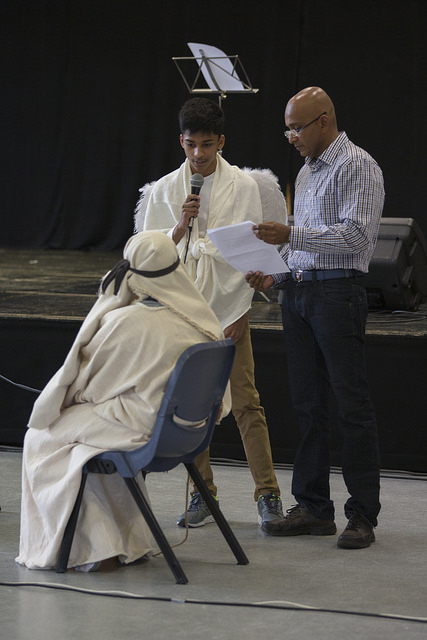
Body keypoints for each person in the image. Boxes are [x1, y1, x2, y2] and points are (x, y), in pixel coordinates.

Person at [16, 231, 229, 571]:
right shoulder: (202, 319)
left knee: (41, 436)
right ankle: (125, 543)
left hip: (137, 428)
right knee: (85, 448)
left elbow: (91, 388)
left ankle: (89, 551)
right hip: (187, 433)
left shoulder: (126, 322)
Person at [136, 97, 287, 528]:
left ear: (221, 141)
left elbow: (247, 251)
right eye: (191, 144)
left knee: (246, 402)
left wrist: (240, 310)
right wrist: (179, 228)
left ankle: (268, 493)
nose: (198, 154)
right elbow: (146, 252)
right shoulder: (166, 189)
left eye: (206, 144)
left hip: (229, 304)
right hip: (185, 309)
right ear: (180, 142)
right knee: (191, 405)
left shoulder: (243, 186)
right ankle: (203, 492)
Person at [246, 87, 385, 549]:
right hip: (301, 294)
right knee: (309, 405)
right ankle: (313, 507)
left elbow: (356, 237)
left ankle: (362, 513)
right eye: (287, 130)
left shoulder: (357, 165)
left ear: (324, 120)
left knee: (351, 405)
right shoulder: (307, 172)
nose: (291, 138)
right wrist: (275, 274)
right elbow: (302, 247)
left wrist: (291, 234)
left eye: (297, 128)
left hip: (338, 293)